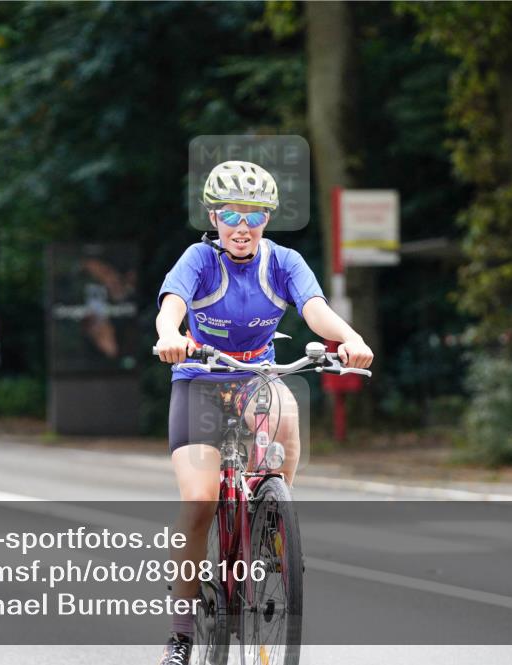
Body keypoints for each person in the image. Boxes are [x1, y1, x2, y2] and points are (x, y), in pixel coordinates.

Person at [154, 160, 373, 664]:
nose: (242, 225)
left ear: (267, 218)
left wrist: (351, 339)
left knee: (288, 417)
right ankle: (183, 634)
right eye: (231, 212)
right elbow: (173, 305)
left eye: (254, 213)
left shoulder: (284, 262)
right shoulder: (199, 259)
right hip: (200, 379)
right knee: (200, 500)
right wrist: (170, 336)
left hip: (258, 376)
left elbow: (314, 309)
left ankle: (272, 524)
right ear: (214, 215)